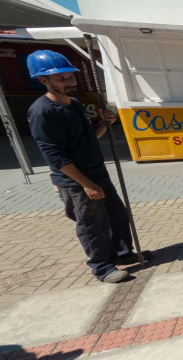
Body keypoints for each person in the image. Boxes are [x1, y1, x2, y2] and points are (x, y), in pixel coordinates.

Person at [26, 50, 149, 284]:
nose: (69, 81)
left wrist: (104, 122)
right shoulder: (43, 111)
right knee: (93, 225)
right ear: (43, 80)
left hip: (97, 173)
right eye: (61, 78)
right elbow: (54, 155)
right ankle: (102, 267)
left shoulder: (74, 104)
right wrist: (86, 184)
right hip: (77, 181)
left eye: (70, 76)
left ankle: (123, 254)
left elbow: (90, 135)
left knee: (117, 216)